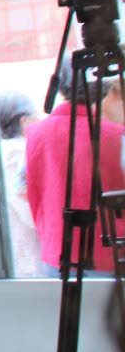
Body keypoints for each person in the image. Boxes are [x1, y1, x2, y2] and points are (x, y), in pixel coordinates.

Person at [25, 60, 125, 277]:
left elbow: (34, 195)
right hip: (109, 255)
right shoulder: (116, 135)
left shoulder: (35, 135)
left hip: (57, 252)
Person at [0, 91, 44, 277]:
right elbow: (27, 208)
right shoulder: (17, 153)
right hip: (25, 251)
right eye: (35, 116)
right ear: (24, 121)